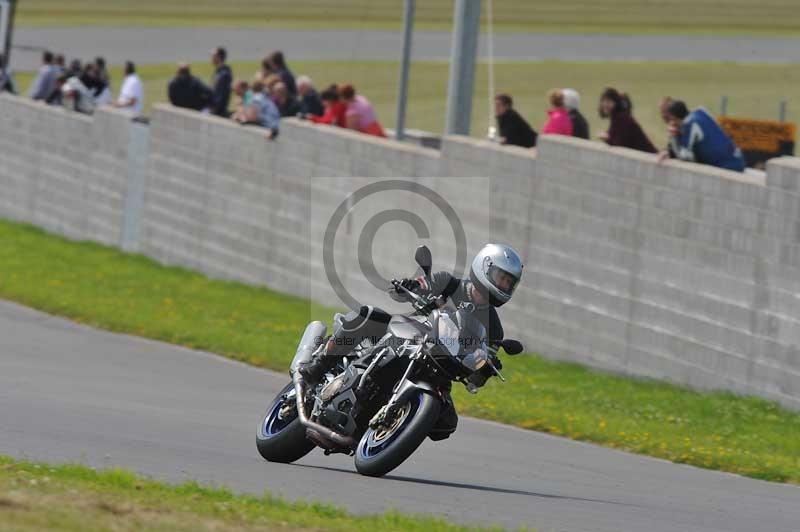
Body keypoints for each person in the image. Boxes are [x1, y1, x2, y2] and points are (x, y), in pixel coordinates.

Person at [297, 243, 524, 441]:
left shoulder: (494, 328)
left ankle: (394, 427)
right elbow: (414, 287)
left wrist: (485, 369)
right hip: (410, 336)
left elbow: (477, 371)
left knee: (445, 423)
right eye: (501, 278)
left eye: (508, 283)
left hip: (442, 365)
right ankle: (319, 365)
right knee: (368, 315)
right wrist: (410, 286)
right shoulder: (449, 284)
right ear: (484, 267)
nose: (504, 285)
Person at [658, 100, 745, 172]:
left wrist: (674, 137)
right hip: (737, 160)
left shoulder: (690, 124)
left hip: (727, 167)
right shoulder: (701, 112)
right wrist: (669, 151)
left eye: (669, 119)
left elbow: (686, 158)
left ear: (674, 118)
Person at [598, 88, 656, 153]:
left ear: (616, 103)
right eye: (603, 101)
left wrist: (607, 139)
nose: (605, 104)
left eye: (608, 101)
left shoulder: (622, 118)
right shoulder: (617, 118)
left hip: (648, 157)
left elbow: (621, 145)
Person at [209, 47, 233, 117]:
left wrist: (215, 109)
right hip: (214, 109)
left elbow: (222, 95)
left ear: (218, 57)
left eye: (213, 56)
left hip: (218, 112)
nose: (211, 58)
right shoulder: (218, 72)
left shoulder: (224, 74)